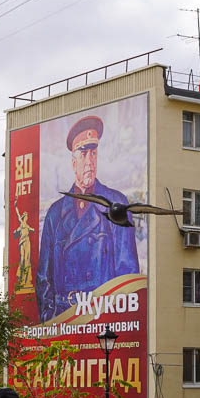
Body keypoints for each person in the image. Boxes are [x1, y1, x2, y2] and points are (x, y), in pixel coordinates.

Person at [35, 115, 140, 322]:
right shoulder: (55, 213)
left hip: (100, 317)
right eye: (83, 155)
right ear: (73, 162)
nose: (89, 162)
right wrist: (50, 320)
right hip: (64, 320)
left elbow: (127, 274)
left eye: (93, 153)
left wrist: (115, 322)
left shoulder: (115, 204)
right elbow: (43, 279)